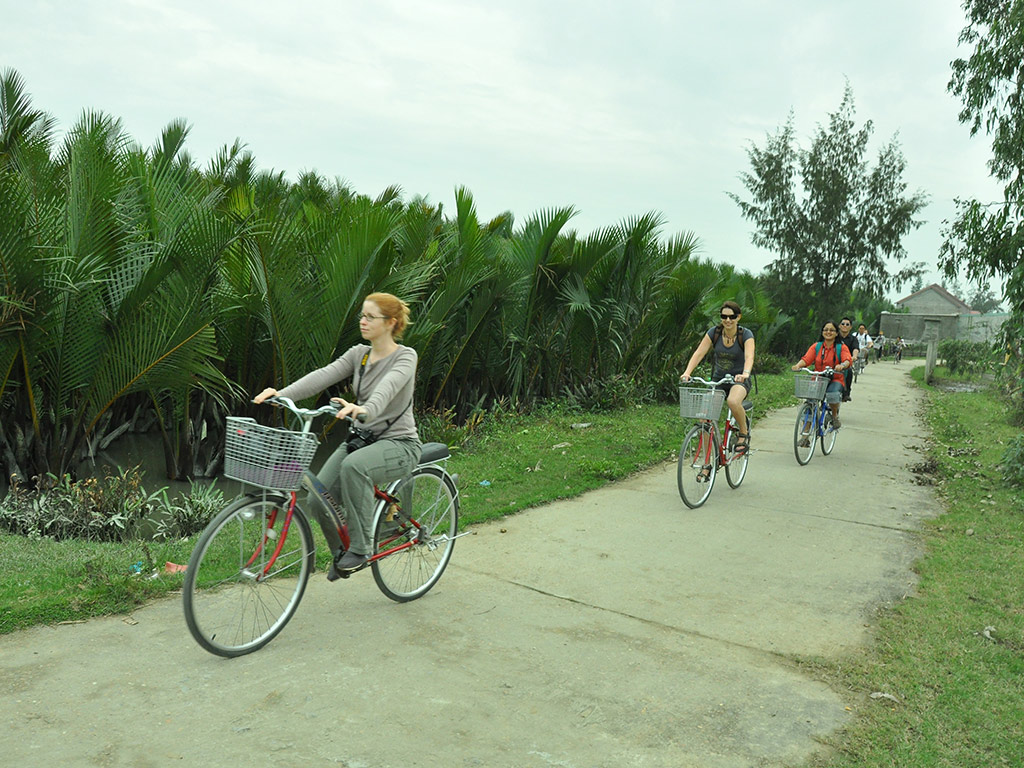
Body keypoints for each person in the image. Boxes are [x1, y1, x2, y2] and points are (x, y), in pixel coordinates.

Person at [254, 292, 421, 578]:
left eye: (370, 317)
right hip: (362, 441)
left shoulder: (405, 357)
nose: (363, 321)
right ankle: (341, 555)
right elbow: (323, 374)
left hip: (399, 444)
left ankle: (361, 549)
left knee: (354, 467)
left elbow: (388, 389)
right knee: (319, 497)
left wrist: (363, 409)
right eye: (362, 316)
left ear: (391, 323)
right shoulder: (360, 354)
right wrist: (281, 393)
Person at [680, 301, 755, 456]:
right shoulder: (714, 333)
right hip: (718, 381)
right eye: (724, 316)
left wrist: (745, 373)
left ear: (738, 317)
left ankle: (743, 432)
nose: (728, 320)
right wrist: (687, 372)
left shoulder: (745, 335)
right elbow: (699, 353)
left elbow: (749, 356)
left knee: (733, 401)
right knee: (704, 418)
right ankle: (708, 463)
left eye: (732, 317)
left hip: (739, 380)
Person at [791, 320, 852, 437]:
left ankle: (834, 416)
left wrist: (842, 365)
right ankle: (805, 435)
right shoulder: (817, 346)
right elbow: (807, 359)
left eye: (831, 330)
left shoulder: (841, 347)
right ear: (822, 332)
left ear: (836, 333)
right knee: (810, 402)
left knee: (833, 394)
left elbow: (847, 360)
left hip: (835, 378)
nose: (828, 332)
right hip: (819, 377)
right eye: (826, 330)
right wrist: (798, 365)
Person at [837, 317, 860, 402]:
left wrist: (854, 356)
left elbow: (855, 348)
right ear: (839, 326)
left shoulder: (853, 339)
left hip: (846, 362)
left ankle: (846, 393)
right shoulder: (834, 337)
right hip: (833, 360)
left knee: (849, 371)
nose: (845, 326)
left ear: (850, 327)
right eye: (843, 324)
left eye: (847, 324)